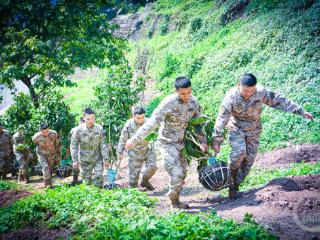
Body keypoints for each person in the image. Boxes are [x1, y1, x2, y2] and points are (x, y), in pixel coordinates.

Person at [212, 73, 314, 199]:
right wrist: (216, 139)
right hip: (236, 128)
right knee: (239, 153)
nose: (249, 93)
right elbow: (222, 118)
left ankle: (235, 186)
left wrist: (301, 111)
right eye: (245, 90)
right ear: (238, 86)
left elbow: (279, 100)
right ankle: (230, 180)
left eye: (251, 90)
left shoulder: (260, 92)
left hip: (254, 130)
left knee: (248, 161)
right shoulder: (231, 96)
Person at [126, 76, 208, 209]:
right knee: (176, 173)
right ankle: (174, 204)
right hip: (166, 143)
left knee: (182, 175)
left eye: (189, 92)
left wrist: (203, 141)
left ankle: (177, 200)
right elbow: (152, 123)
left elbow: (198, 123)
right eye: (183, 93)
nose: (186, 96)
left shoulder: (194, 102)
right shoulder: (168, 103)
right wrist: (134, 140)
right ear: (176, 91)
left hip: (181, 143)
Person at [117, 107, 157, 190]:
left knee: (152, 167)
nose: (141, 120)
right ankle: (134, 191)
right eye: (138, 118)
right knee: (133, 182)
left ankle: (145, 181)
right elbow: (122, 139)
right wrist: (120, 152)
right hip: (134, 153)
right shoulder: (128, 125)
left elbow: (156, 132)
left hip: (147, 150)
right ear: (133, 116)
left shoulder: (148, 122)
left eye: (142, 117)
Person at [70, 108, 109, 188]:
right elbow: (74, 146)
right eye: (88, 119)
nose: (91, 121)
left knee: (99, 179)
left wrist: (106, 159)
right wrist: (75, 161)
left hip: (97, 158)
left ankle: (98, 196)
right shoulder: (78, 130)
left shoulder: (99, 129)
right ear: (84, 118)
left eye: (93, 118)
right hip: (85, 160)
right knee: (87, 183)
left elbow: (103, 145)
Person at [32, 123, 62, 188]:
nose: (46, 133)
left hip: (51, 154)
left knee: (50, 168)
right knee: (45, 167)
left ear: (49, 129)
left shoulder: (54, 133)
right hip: (41, 154)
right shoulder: (36, 137)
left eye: (47, 131)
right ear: (40, 131)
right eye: (43, 132)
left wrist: (58, 154)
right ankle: (47, 184)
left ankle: (49, 182)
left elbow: (57, 144)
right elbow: (36, 144)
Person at [68, 117, 85, 185]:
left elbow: (69, 138)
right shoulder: (78, 129)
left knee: (76, 164)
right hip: (79, 149)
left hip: (76, 149)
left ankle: (75, 180)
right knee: (80, 165)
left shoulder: (73, 129)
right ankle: (81, 180)